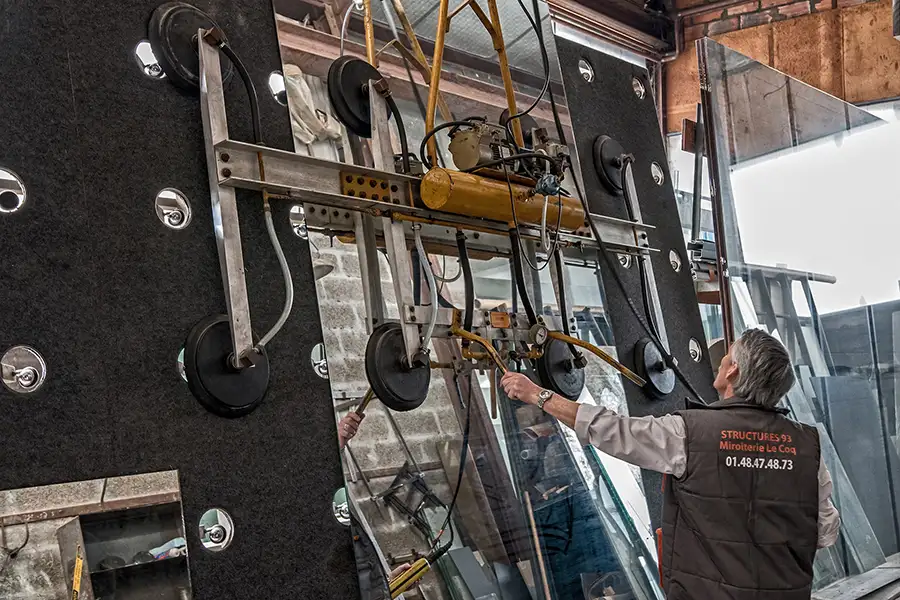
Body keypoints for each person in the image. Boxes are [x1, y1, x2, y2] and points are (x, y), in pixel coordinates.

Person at [500, 328, 840, 600]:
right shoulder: (807, 446)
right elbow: (825, 532)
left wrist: (536, 394)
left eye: (727, 355)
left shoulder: (690, 433)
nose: (720, 361)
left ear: (733, 370)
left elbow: (612, 429)